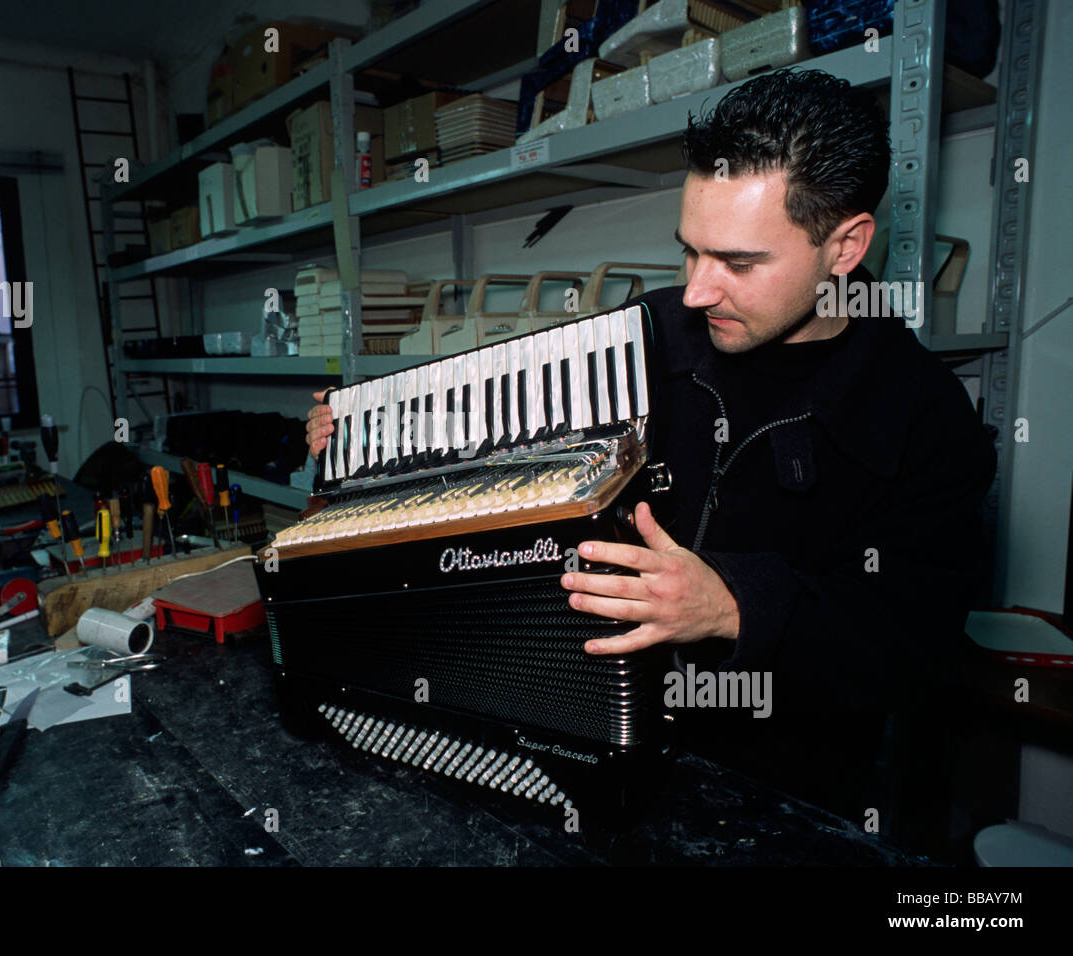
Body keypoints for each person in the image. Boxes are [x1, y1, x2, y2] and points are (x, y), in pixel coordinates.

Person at [304, 70, 996, 844]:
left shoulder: (926, 419)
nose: (696, 291)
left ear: (846, 246)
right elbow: (506, 425)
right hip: (585, 738)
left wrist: (735, 607)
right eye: (689, 252)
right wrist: (374, 436)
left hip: (774, 795)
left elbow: (916, 647)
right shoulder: (645, 335)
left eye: (737, 263)